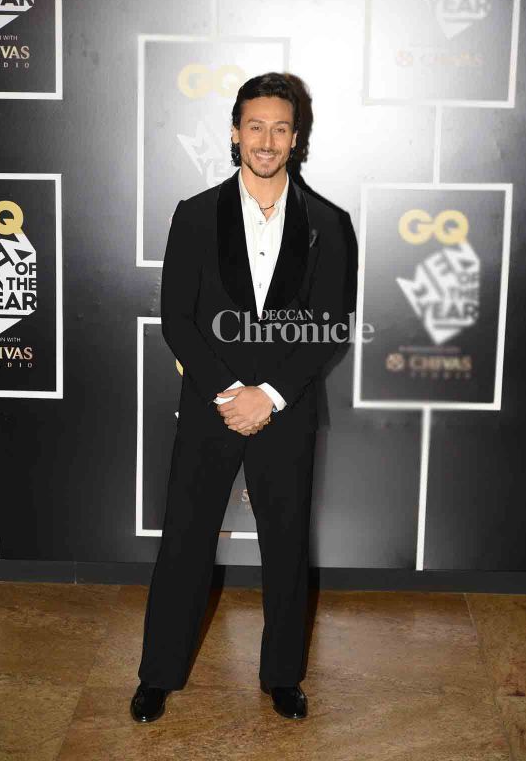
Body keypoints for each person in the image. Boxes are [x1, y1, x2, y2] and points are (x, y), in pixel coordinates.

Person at [130, 72, 357, 723]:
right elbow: (177, 319)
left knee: (286, 548)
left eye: (280, 128)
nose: (266, 140)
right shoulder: (195, 214)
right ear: (235, 132)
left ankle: (283, 676)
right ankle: (158, 675)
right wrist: (231, 393)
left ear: (296, 138)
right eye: (255, 126)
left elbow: (331, 326)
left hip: (287, 409)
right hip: (212, 405)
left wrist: (272, 396)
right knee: (184, 544)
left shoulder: (329, 224)